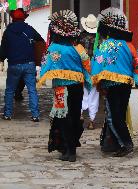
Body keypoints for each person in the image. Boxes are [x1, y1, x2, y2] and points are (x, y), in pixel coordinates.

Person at [38, 10, 92, 162]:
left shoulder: (53, 49)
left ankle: (68, 150)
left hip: (61, 88)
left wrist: (42, 77)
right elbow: (87, 66)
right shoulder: (79, 49)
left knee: (63, 118)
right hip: (77, 87)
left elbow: (45, 65)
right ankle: (72, 148)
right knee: (75, 116)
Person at [91, 7, 138, 157]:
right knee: (120, 114)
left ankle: (125, 143)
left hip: (111, 85)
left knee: (113, 117)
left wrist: (97, 83)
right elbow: (137, 65)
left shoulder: (105, 45)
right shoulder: (129, 45)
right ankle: (115, 143)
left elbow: (97, 66)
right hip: (126, 85)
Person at [0, 8, 44, 121]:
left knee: (10, 90)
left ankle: (8, 114)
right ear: (24, 18)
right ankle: (35, 115)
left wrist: (2, 58)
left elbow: (3, 49)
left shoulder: (8, 31)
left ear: (13, 18)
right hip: (29, 64)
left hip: (14, 64)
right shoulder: (29, 29)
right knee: (32, 90)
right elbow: (40, 41)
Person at [80, 14, 100, 130]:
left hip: (83, 69)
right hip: (95, 70)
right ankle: (92, 120)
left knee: (82, 93)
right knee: (94, 95)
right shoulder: (100, 39)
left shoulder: (81, 38)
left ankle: (80, 115)